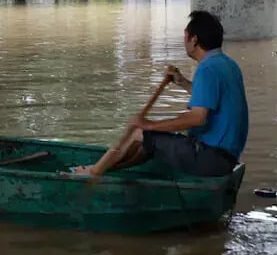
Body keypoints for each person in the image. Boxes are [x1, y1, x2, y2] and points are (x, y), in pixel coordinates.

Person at [72, 10, 248, 178]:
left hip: (210, 158)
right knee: (146, 143)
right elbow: (211, 98)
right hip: (225, 159)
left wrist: (149, 125)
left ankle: (93, 173)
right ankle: (106, 170)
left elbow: (197, 118)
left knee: (140, 133)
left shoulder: (206, 69)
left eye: (185, 36)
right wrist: (182, 82)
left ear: (194, 40)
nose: (184, 41)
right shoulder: (227, 65)